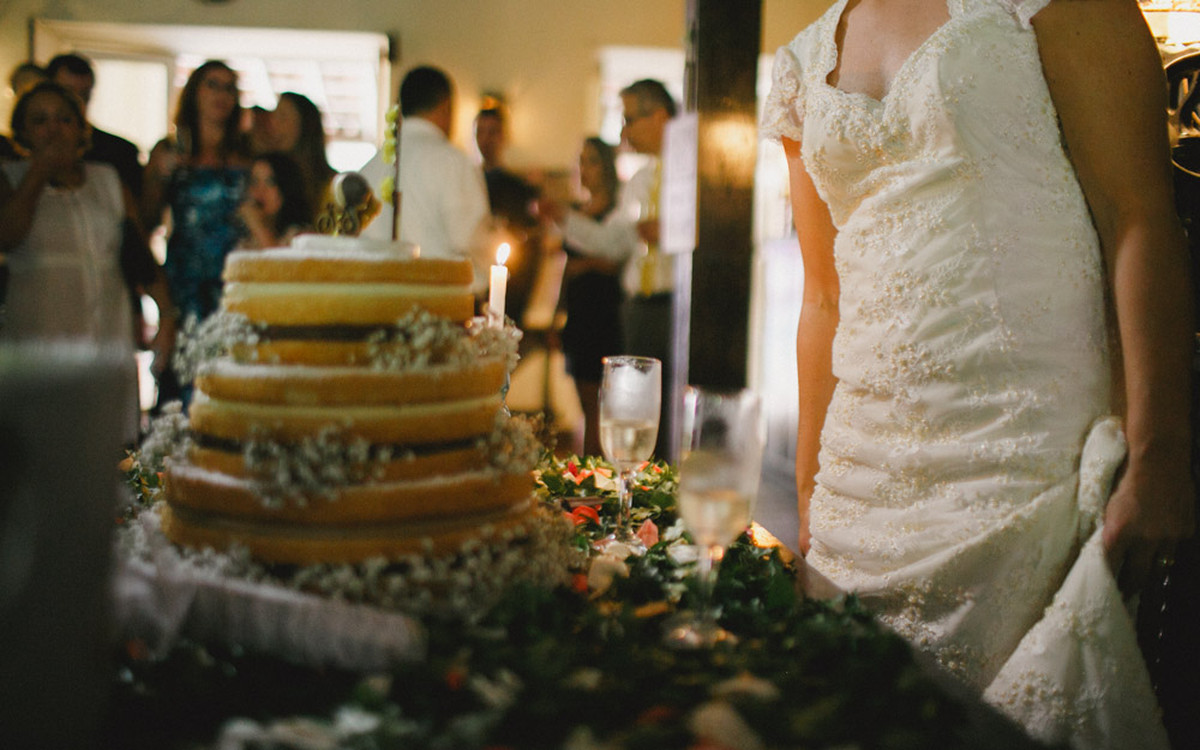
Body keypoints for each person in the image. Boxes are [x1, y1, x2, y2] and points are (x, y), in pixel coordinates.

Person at [761, 1, 1195, 748]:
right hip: (857, 480)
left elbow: (1138, 215)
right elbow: (823, 296)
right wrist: (807, 488)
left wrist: (1160, 456)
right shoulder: (802, 61)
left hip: (1024, 463)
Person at [0, 82, 175, 443]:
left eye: (65, 119)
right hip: (39, 342)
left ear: (81, 129)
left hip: (105, 338)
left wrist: (166, 315)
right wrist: (38, 172)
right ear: (23, 131)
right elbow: (8, 236)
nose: (54, 129)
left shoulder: (108, 180)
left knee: (108, 450)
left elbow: (139, 256)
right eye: (40, 120)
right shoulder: (9, 178)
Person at [540, 79, 677, 458]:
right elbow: (611, 241)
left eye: (631, 119)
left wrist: (675, 233)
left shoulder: (697, 172)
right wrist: (563, 218)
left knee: (669, 420)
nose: (624, 131)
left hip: (677, 308)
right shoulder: (640, 181)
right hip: (636, 310)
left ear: (661, 116)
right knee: (636, 415)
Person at [142, 60, 248, 406]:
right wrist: (159, 177)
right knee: (183, 389)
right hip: (185, 285)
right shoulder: (169, 152)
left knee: (232, 389)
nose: (221, 94)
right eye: (212, 85)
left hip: (235, 286)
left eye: (229, 88)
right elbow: (145, 220)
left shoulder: (246, 155)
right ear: (194, 93)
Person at [359, 65, 490, 293]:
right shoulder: (453, 162)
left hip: (378, 304)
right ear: (447, 106)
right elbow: (471, 240)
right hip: (440, 307)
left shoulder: (368, 168)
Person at [556, 136, 623, 457]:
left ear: (607, 166)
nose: (585, 168)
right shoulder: (577, 211)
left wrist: (588, 264)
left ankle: (595, 470)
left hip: (604, 309)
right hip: (578, 312)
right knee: (583, 401)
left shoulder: (616, 210)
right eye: (581, 161)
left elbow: (617, 258)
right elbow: (565, 267)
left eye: (592, 160)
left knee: (599, 400)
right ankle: (588, 466)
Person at [475, 105, 540, 325]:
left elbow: (530, 243)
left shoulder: (519, 189)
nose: (486, 139)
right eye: (480, 131)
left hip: (510, 286)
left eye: (492, 132)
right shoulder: (468, 183)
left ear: (504, 137)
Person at [46, 54, 143, 197]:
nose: (77, 103)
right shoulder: (25, 151)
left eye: (84, 95)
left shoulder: (120, 152)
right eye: (69, 94)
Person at [267, 92, 335, 222]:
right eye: (273, 117)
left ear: (305, 125)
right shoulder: (263, 176)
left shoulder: (330, 187)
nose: (273, 125)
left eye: (282, 118)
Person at [237, 152, 312, 249]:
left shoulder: (302, 237)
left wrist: (258, 227)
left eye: (270, 182)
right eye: (255, 182)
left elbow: (278, 261)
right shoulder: (248, 241)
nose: (260, 190)